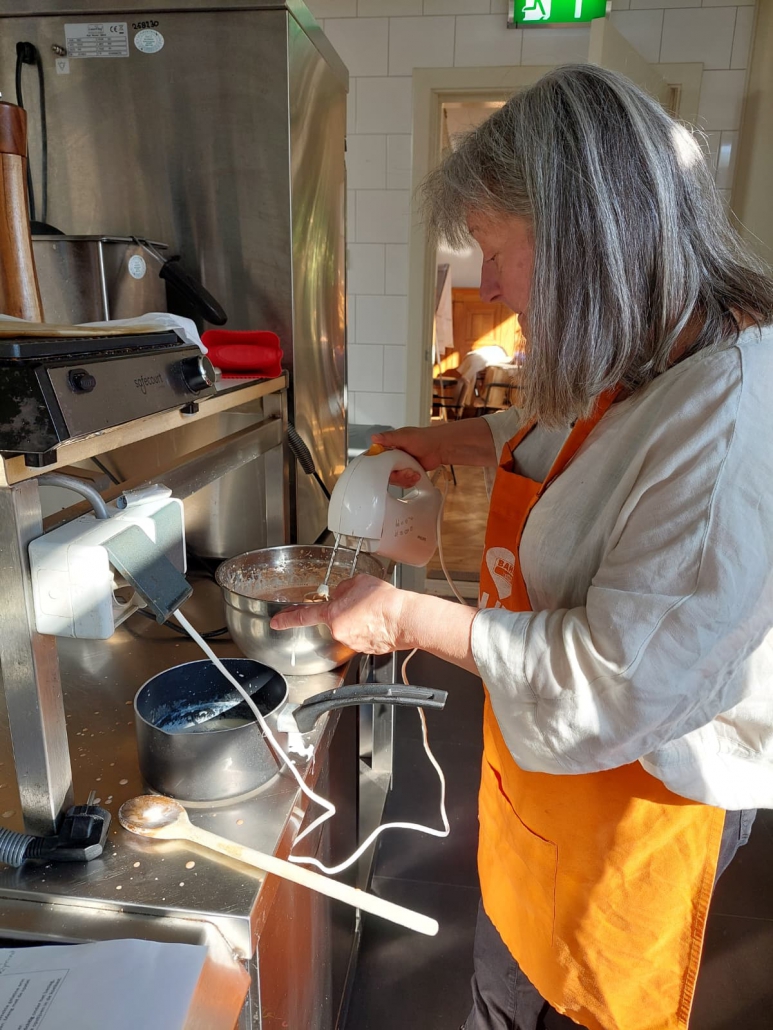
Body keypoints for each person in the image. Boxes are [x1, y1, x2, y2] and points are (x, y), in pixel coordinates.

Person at [272, 65, 773, 1030]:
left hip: (640, 795)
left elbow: (620, 683)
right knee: (509, 968)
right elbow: (557, 437)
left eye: (496, 251)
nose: (487, 284)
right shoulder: (649, 354)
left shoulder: (723, 423)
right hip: (551, 779)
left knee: (562, 1004)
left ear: (591, 239)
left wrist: (411, 618)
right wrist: (448, 440)